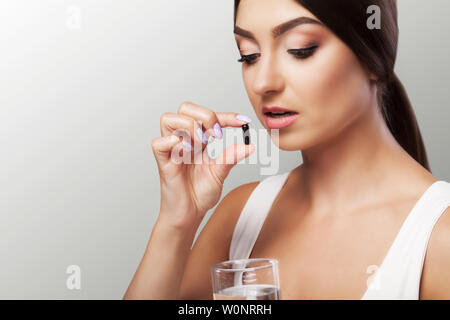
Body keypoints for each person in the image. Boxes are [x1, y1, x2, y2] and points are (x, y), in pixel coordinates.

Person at [123, 0, 450, 300]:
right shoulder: (240, 216)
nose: (263, 82)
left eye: (300, 49)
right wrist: (177, 223)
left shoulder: (439, 239)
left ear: (372, 57)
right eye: (249, 55)